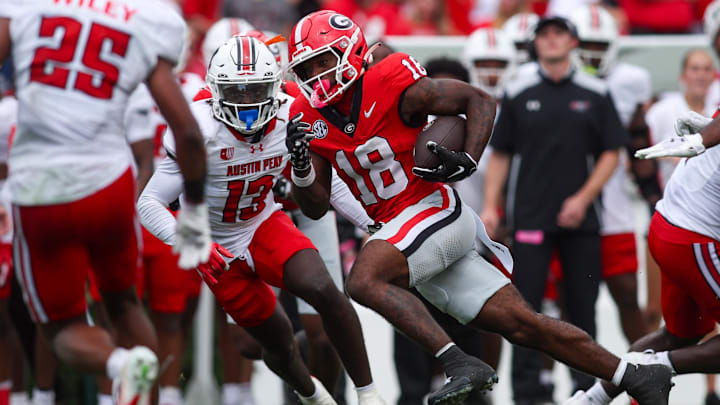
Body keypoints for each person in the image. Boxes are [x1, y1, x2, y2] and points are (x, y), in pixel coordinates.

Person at [286, 10, 673, 405]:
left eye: (324, 61)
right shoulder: (305, 115)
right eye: (307, 67)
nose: (317, 74)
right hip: (400, 229)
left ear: (351, 52)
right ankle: (637, 375)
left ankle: (457, 361)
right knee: (524, 326)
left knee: (362, 281)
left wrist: (469, 157)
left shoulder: (390, 78)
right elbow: (315, 207)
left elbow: (478, 99)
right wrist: (301, 167)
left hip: (432, 210)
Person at [138, 36, 386, 405]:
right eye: (236, 91)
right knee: (276, 342)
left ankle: (368, 394)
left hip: (262, 223)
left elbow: (329, 188)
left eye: (256, 90)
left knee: (325, 290)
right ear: (216, 90)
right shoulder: (200, 130)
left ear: (274, 87)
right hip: (217, 244)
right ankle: (311, 393)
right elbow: (150, 203)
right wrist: (192, 243)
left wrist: (373, 222)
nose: (248, 102)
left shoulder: (291, 113)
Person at [0, 1, 213, 405]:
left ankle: (118, 365)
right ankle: (141, 390)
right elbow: (187, 134)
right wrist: (196, 211)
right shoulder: (142, 17)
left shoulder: (27, 7)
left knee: (62, 328)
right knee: (126, 305)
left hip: (40, 187)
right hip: (110, 185)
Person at [565, 110, 720, 404]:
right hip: (693, 236)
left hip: (672, 225)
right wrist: (703, 135)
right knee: (673, 344)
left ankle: (592, 398)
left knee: (680, 335)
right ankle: (655, 367)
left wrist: (704, 132)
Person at [569, 3, 652, 345]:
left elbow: (639, 139)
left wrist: (652, 196)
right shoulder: (550, 79)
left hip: (615, 203)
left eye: (600, 45)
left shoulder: (631, 81)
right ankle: (571, 383)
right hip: (567, 202)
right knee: (566, 302)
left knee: (627, 291)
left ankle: (644, 370)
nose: (592, 53)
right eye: (586, 43)